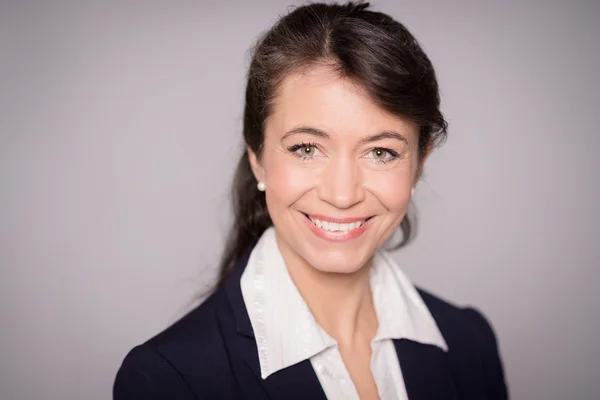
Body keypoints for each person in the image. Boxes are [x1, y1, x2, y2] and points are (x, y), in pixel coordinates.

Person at [113, 2, 508, 399]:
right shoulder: (170, 379)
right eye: (306, 148)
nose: (342, 194)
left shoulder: (470, 345)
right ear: (258, 158)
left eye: (381, 152)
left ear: (420, 162)